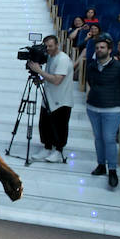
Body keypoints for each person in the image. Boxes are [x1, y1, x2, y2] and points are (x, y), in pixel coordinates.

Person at [86, 36, 120, 188]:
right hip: (93, 107)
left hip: (112, 108)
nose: (99, 50)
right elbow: (91, 82)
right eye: (97, 48)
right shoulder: (91, 66)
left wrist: (119, 98)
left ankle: (112, 170)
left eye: (102, 47)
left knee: (108, 138)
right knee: (98, 138)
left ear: (109, 50)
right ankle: (101, 165)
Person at [29, 35, 73, 163]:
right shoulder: (50, 57)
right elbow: (51, 76)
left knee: (59, 127)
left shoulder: (63, 59)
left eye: (50, 46)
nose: (47, 49)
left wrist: (39, 71)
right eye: (46, 46)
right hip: (48, 98)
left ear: (57, 45)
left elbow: (57, 80)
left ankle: (58, 151)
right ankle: (47, 147)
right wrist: (41, 80)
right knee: (45, 125)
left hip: (61, 100)